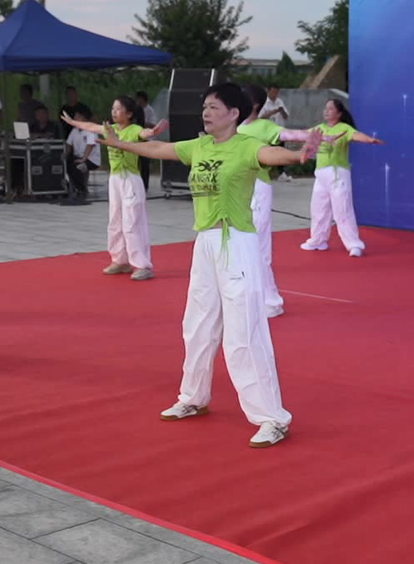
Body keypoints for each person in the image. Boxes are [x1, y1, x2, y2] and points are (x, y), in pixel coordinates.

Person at [94, 83, 321, 447]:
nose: (206, 112)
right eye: (205, 106)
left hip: (237, 244)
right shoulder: (198, 146)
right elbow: (158, 148)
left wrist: (298, 156)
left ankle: (271, 417)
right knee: (197, 325)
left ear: (235, 113)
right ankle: (193, 398)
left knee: (242, 334)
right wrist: (119, 144)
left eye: (214, 106)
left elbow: (270, 154)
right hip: (205, 243)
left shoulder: (246, 145)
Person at [59, 99, 168, 280]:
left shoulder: (133, 130)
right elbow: (91, 126)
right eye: (113, 109)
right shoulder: (111, 129)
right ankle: (120, 260)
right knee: (115, 220)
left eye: (118, 109)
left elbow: (144, 133)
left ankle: (142, 265)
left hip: (130, 180)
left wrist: (153, 132)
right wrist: (72, 123)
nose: (114, 112)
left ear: (129, 113)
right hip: (115, 179)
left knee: (132, 222)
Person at [235, 83, 312, 316]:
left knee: (258, 245)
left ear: (254, 105)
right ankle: (250, 295)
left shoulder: (263, 126)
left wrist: (316, 135)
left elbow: (289, 134)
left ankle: (271, 301)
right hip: (238, 190)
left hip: (258, 189)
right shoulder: (235, 128)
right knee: (241, 245)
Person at [300, 99, 382, 257]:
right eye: (325, 108)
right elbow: (303, 135)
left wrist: (369, 139)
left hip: (338, 174)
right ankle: (318, 240)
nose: (326, 111)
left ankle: (354, 244)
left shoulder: (344, 128)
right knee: (318, 209)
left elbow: (356, 135)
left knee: (342, 209)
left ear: (338, 113)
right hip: (321, 174)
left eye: (330, 109)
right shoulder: (319, 129)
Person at [62, 106, 100, 205]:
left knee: (78, 167)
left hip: (91, 159)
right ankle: (71, 188)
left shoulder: (90, 130)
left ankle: (82, 190)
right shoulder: (74, 130)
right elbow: (69, 144)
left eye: (77, 116)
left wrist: (83, 159)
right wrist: (66, 154)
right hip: (78, 157)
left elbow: (90, 145)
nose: (75, 118)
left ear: (84, 118)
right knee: (66, 164)